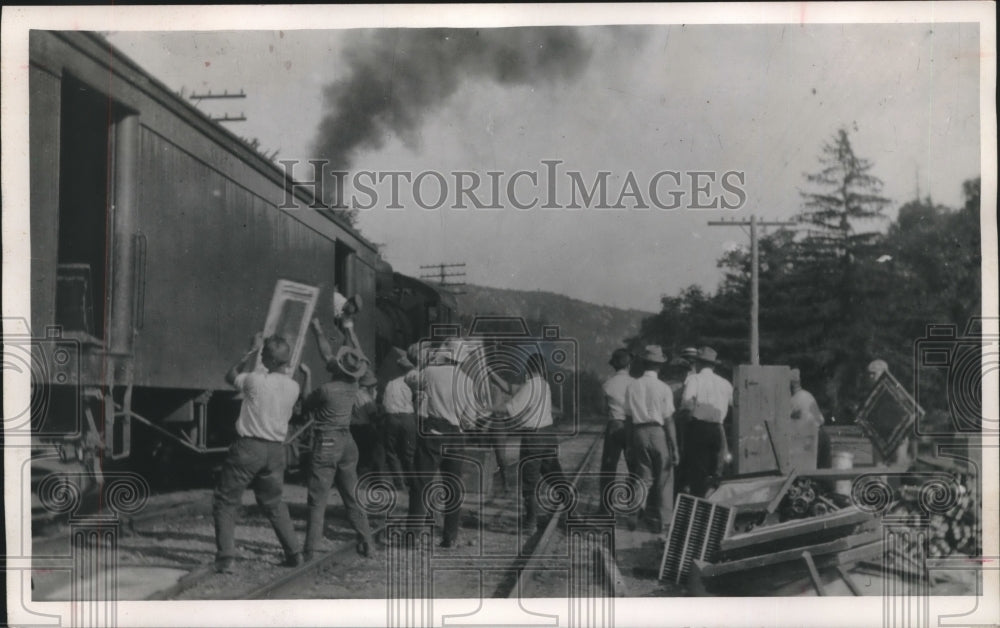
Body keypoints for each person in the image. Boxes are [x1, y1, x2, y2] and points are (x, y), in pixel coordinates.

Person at [213, 334, 303, 573]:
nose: (261, 359)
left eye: (263, 356)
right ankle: (294, 553)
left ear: (271, 360)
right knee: (274, 503)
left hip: (248, 448)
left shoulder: (255, 381)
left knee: (226, 500)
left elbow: (230, 374)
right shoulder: (294, 387)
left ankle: (226, 558)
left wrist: (250, 351)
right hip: (275, 451)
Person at [301, 325, 375, 561]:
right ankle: (368, 542)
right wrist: (321, 330)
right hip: (348, 442)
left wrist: (307, 376)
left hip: (327, 441)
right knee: (352, 495)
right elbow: (344, 355)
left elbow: (305, 404)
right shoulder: (354, 385)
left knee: (318, 497)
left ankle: (311, 550)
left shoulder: (326, 390)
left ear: (338, 367)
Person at [411, 339, 474, 548]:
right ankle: (450, 537)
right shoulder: (467, 381)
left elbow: (410, 380)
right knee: (453, 487)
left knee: (421, 484)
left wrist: (424, 363)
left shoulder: (430, 372)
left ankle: (413, 535)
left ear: (446, 355)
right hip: (456, 436)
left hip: (432, 433)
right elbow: (470, 420)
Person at [496, 352, 566, 532]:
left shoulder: (530, 386)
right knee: (554, 475)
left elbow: (510, 409)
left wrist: (485, 408)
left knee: (529, 481)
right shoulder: (544, 385)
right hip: (548, 435)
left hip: (533, 437)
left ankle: (530, 523)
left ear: (528, 367)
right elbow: (517, 394)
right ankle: (571, 511)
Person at [623, 346, 677, 534]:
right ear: (659, 367)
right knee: (665, 476)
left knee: (643, 476)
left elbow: (628, 418)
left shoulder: (632, 386)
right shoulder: (664, 388)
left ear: (643, 364)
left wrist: (629, 443)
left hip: (638, 432)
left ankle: (635, 508)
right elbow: (669, 420)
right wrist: (675, 447)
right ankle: (665, 522)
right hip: (657, 431)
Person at [680, 346, 733, 498]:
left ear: (698, 363)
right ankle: (713, 498)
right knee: (717, 468)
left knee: (698, 469)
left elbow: (686, 403)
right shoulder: (725, 383)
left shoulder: (694, 379)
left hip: (699, 427)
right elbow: (734, 404)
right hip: (718, 427)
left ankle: (699, 501)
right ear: (713, 365)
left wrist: (685, 427)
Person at [597, 348, 635, 516]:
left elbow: (601, 409)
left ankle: (605, 509)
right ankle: (634, 506)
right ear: (629, 365)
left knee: (608, 467)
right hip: (632, 426)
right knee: (634, 466)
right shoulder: (635, 383)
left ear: (614, 365)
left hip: (614, 425)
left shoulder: (607, 384)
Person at [382, 348, 418, 492]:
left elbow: (385, 404)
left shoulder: (390, 383)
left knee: (392, 452)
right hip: (408, 418)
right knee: (409, 452)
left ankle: (399, 483)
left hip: (391, 418)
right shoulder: (414, 381)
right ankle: (412, 481)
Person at [789, 368, 830, 468]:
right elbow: (820, 419)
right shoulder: (807, 395)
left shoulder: (793, 400)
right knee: (823, 471)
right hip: (822, 434)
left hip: (810, 437)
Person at [664, 357, 693, 495]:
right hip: (682, 428)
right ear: (684, 373)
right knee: (682, 460)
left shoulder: (664, 385)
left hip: (664, 428)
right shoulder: (686, 388)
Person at [351, 369, 385, 477]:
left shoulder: (354, 393)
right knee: (368, 454)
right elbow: (373, 416)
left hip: (353, 426)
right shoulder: (366, 397)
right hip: (364, 427)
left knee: (358, 454)